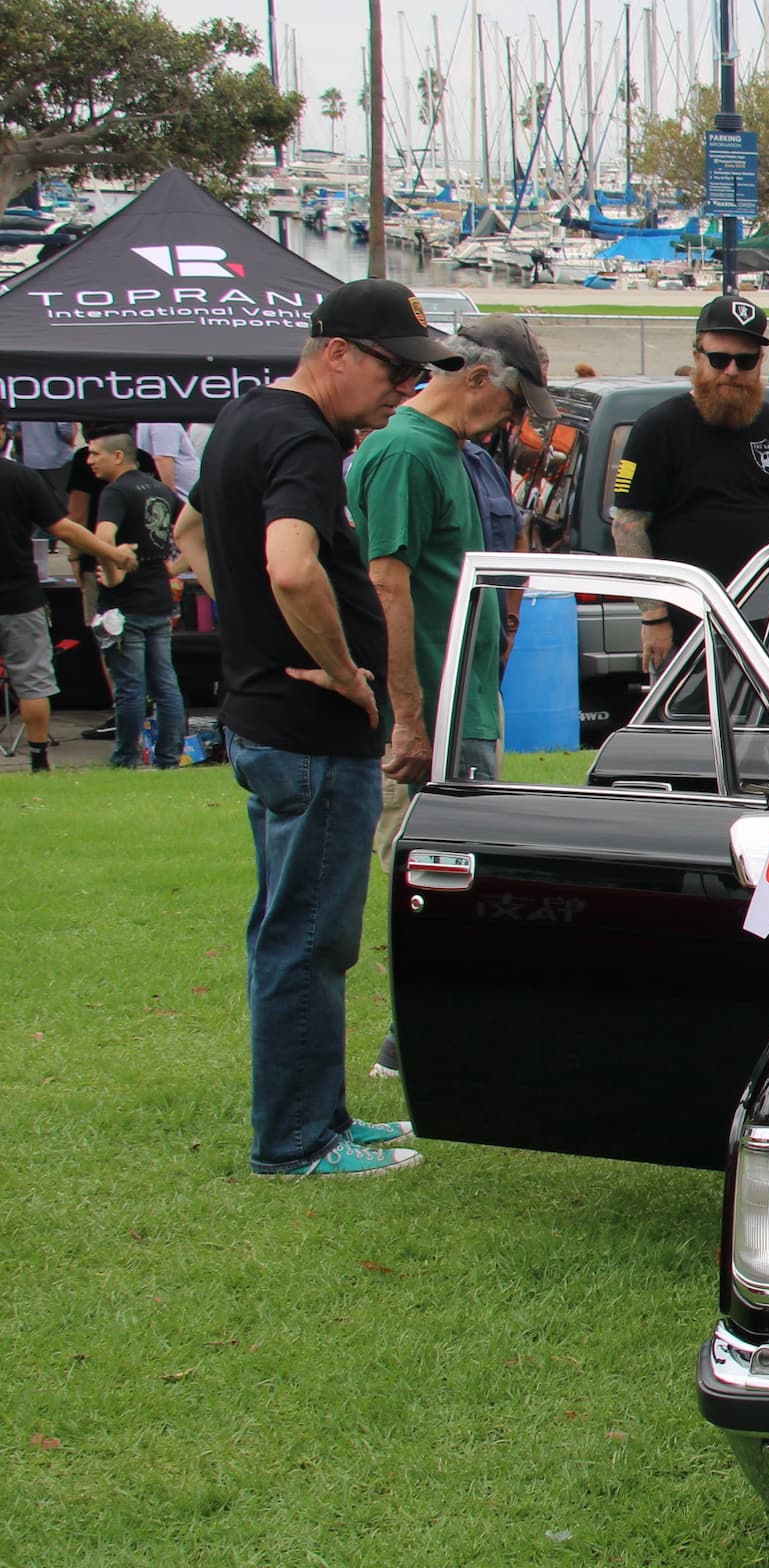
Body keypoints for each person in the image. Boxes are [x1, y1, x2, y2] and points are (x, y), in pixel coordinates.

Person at [173, 278, 461, 1178]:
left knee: (291, 930)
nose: (405, 388)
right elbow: (293, 567)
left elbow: (189, 531)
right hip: (308, 729)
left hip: (267, 721)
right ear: (336, 352)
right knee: (309, 937)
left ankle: (320, 1115)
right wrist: (340, 669)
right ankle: (298, 1140)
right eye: (393, 368)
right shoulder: (301, 436)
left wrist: (257, 630)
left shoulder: (245, 418)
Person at [351, 315, 552, 1081]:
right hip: (432, 713)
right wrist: (409, 718)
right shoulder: (405, 452)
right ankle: (417, 1043)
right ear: (477, 378)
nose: (512, 419)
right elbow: (386, 587)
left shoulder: (451, 453)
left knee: (462, 878)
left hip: (463, 703)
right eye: (513, 402)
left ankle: (435, 1033)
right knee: (435, 880)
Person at [612, 295, 769, 673]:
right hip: (688, 626)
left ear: (760, 362)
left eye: (745, 361)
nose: (731, 371)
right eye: (719, 359)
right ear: (698, 356)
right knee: (692, 714)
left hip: (768, 625)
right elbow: (628, 527)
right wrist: (653, 616)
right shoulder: (657, 428)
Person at [0, 446, 137, 772]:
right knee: (32, 681)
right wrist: (111, 553)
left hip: (21, 597)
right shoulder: (20, 477)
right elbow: (64, 528)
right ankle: (39, 760)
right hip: (19, 597)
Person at [82, 433, 187, 768]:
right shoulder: (161, 489)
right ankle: (169, 757)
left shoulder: (115, 492)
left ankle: (126, 758)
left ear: (117, 455)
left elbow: (104, 537)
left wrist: (113, 573)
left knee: (130, 686)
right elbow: (194, 530)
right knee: (166, 684)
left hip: (125, 605)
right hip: (159, 599)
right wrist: (174, 567)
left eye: (95, 454)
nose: (89, 460)